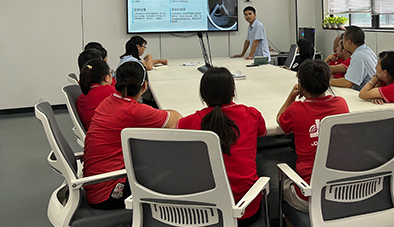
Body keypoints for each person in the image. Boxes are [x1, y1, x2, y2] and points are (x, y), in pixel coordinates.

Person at [83, 61, 182, 210]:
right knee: (173, 165)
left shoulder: (108, 102)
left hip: (96, 184)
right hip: (109, 193)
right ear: (145, 86)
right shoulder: (135, 111)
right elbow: (177, 119)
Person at [176, 68, 267, 226]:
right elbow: (262, 133)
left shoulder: (188, 123)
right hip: (245, 209)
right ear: (233, 91)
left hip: (204, 214)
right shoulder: (251, 115)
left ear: (203, 95)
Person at [277, 59, 350, 212]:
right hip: (343, 190)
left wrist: (291, 96)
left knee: (282, 185)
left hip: (310, 194)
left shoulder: (296, 109)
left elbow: (280, 120)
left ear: (301, 85)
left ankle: (295, 219)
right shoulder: (341, 104)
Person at [330, 26, 377, 90]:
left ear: (349, 42)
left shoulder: (358, 56)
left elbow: (348, 83)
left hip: (367, 93)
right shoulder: (367, 50)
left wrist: (329, 81)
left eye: (343, 40)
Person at [77, 59, 116, 130]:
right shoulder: (109, 91)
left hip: (92, 131)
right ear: (106, 78)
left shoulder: (83, 96)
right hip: (105, 131)